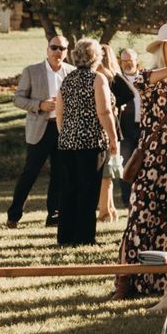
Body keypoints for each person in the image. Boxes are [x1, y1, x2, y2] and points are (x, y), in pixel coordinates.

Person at [116, 22, 167, 300]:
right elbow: (139, 81)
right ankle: (131, 281)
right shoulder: (151, 75)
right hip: (153, 154)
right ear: (162, 48)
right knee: (142, 216)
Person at [55, 38, 118, 248]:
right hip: (90, 142)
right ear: (96, 57)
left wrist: (65, 134)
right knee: (88, 191)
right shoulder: (97, 79)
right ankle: (83, 237)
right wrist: (113, 138)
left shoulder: (67, 79)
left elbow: (60, 113)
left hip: (66, 143)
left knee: (69, 190)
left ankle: (65, 236)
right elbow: (104, 111)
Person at [6, 32, 68, 228]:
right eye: (54, 47)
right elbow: (18, 99)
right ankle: (14, 215)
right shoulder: (32, 71)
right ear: (47, 49)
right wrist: (39, 105)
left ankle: (54, 217)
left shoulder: (71, 72)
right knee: (29, 174)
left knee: (59, 175)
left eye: (61, 48)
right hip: (39, 129)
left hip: (62, 129)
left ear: (66, 52)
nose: (57, 51)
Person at [94, 45, 128, 223]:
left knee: (105, 173)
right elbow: (130, 93)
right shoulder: (112, 74)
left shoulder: (104, 75)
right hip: (113, 126)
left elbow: (129, 93)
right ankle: (111, 209)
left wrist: (112, 104)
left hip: (107, 126)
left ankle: (105, 212)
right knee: (108, 172)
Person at [115, 47, 142, 210]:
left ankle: (141, 196)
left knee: (143, 163)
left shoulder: (146, 77)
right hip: (125, 127)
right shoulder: (117, 80)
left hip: (144, 125)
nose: (126, 63)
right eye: (123, 61)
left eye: (129, 60)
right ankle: (127, 200)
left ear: (136, 60)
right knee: (125, 164)